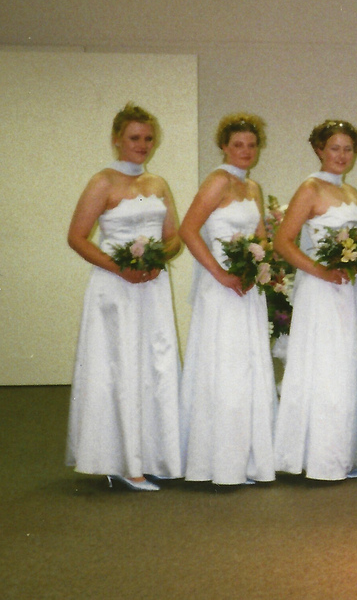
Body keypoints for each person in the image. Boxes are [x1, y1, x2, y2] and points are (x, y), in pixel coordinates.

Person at [66, 103, 183, 492]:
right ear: (117, 139)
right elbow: (77, 237)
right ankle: (124, 462)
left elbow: (173, 237)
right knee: (119, 367)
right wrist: (121, 268)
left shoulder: (158, 184)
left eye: (148, 138)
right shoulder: (103, 182)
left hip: (152, 284)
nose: (143, 145)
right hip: (115, 288)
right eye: (135, 138)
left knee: (156, 365)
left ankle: (155, 456)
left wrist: (157, 259)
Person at [179, 113, 277, 486]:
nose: (246, 151)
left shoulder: (253, 187)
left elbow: (261, 235)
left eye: (252, 145)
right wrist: (220, 274)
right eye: (238, 144)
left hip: (246, 287)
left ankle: (247, 459)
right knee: (225, 366)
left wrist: (259, 266)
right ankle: (217, 461)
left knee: (248, 365)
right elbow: (189, 230)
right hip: (220, 286)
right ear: (224, 146)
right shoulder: (217, 181)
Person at [273, 120, 357, 481]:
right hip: (320, 288)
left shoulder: (352, 193)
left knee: (346, 364)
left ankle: (341, 454)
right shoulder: (310, 188)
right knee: (324, 365)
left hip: (348, 288)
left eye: (348, 149)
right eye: (335, 148)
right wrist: (320, 270)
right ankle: (318, 457)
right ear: (319, 150)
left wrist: (354, 262)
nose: (342, 156)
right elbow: (283, 242)